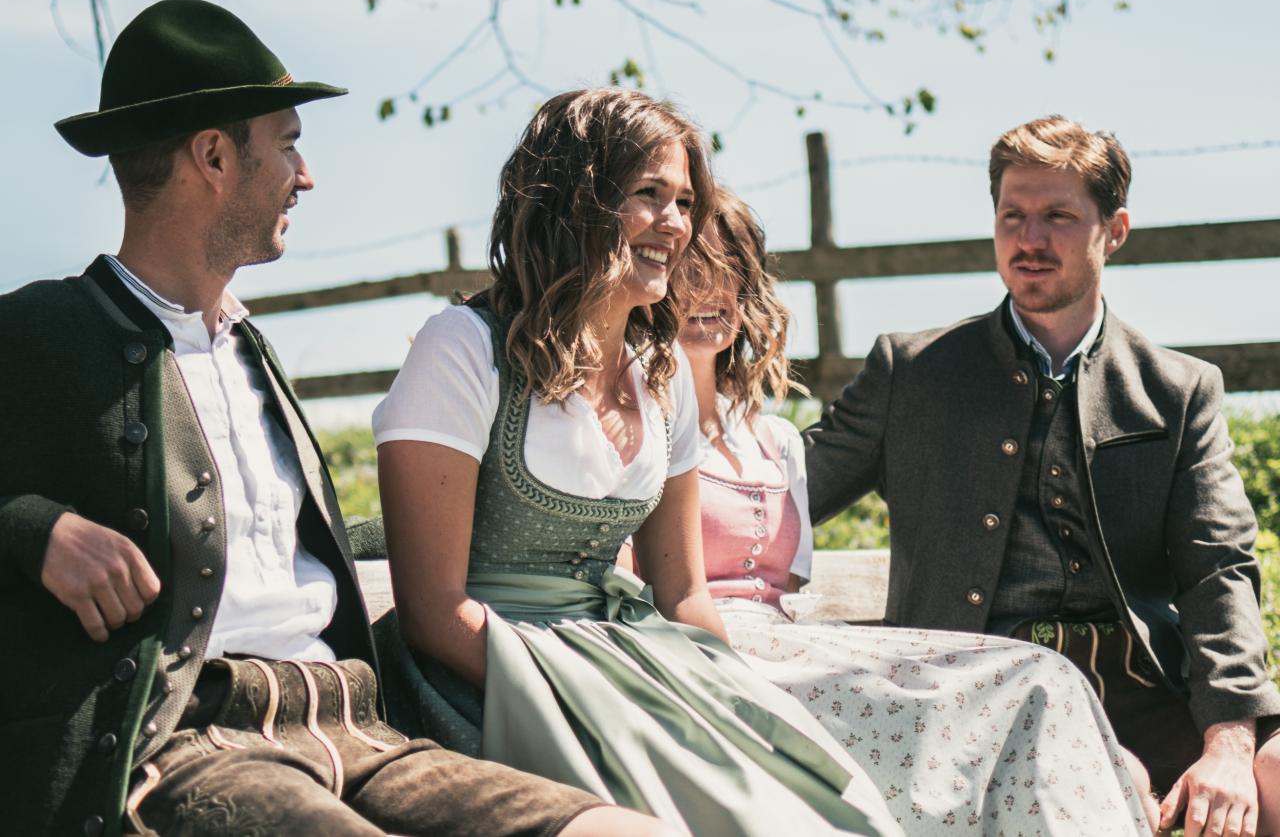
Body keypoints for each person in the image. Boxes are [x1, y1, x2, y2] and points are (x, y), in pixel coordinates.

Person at [0, 0, 673, 837]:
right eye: (286, 143)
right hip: (186, 745)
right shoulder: (38, 331)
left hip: (357, 729)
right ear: (213, 155)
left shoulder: (249, 348)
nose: (306, 174)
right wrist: (32, 528)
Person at [371, 87, 901, 836]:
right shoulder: (463, 347)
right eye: (648, 195)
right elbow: (432, 611)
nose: (676, 225)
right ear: (574, 199)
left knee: (808, 798)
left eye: (685, 201)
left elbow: (682, 592)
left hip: (623, 656)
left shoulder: (662, 370)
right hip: (480, 671)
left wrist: (730, 705)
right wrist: (585, 691)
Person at [804, 115, 1280, 837]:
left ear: (1113, 230)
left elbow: (1219, 569)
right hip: (980, 699)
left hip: (1147, 693)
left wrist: (1230, 744)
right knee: (1113, 778)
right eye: (1013, 216)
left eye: (1058, 216)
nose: (1030, 239)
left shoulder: (1178, 390)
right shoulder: (913, 374)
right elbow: (778, 496)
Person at [661, 184, 1152, 834]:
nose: (710, 293)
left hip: (790, 646)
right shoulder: (634, 430)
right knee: (1006, 697)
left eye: (728, 271)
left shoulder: (773, 442)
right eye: (688, 272)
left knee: (1045, 680)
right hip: (702, 661)